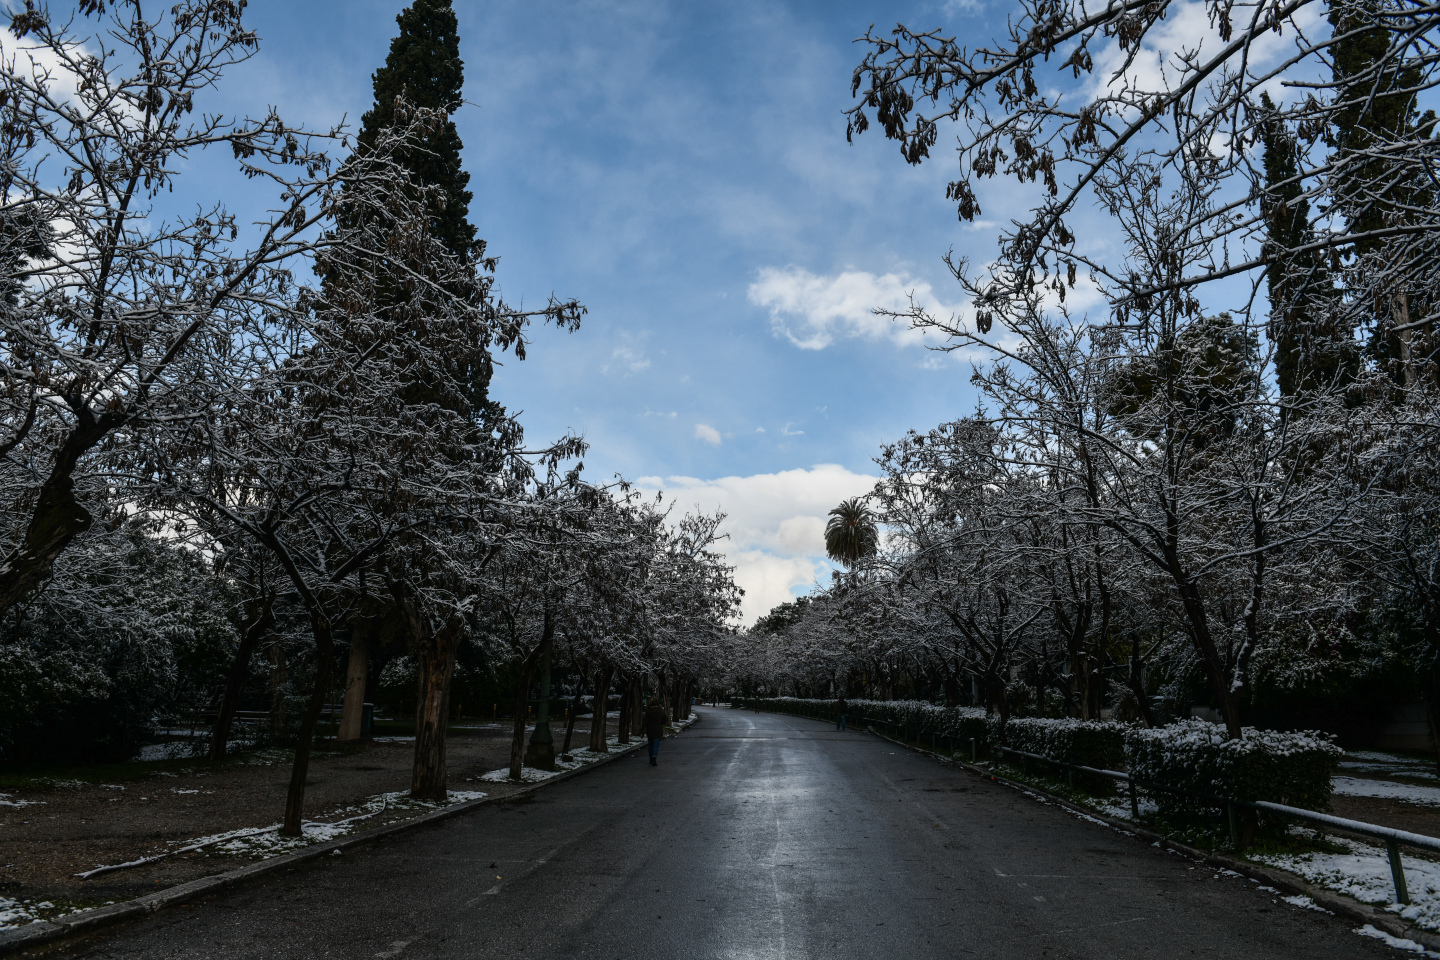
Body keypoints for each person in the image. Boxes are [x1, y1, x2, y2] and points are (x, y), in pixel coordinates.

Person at [643, 696, 667, 766]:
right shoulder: (660, 711)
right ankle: (654, 757)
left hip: (650, 729)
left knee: (650, 744)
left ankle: (651, 756)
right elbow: (665, 719)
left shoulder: (648, 711)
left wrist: (641, 731)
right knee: (656, 744)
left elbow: (645, 722)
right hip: (658, 729)